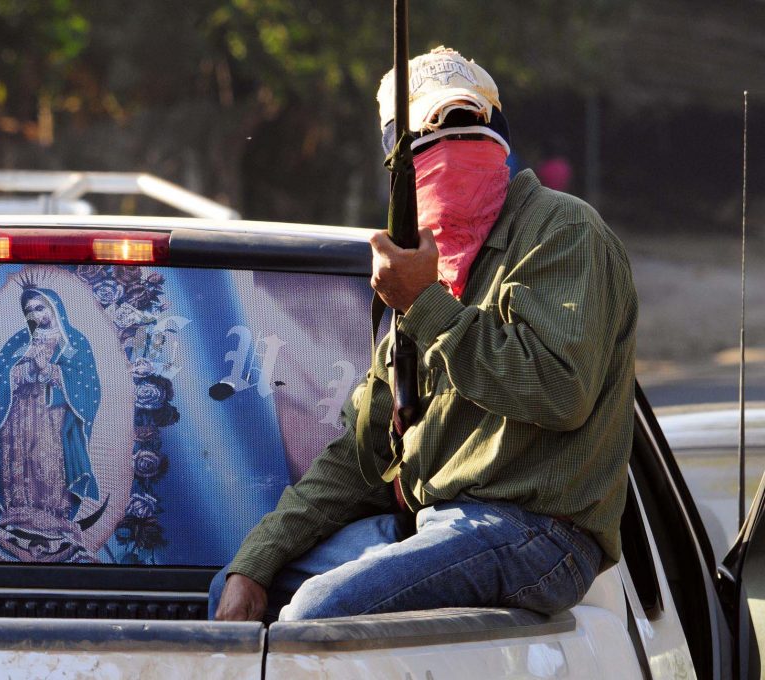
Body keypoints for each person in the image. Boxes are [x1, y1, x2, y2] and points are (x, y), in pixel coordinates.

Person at [211, 46, 638, 621]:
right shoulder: (421, 263)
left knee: (320, 609)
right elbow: (362, 454)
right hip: (434, 525)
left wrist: (423, 304)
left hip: (538, 531)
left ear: (501, 138)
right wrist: (257, 561)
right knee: (237, 587)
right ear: (397, 162)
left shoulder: (561, 230)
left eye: (470, 126)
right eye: (430, 137)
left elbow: (560, 392)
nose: (454, 148)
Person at [0, 280, 102, 561]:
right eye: (29, 311)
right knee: (20, 463)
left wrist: (49, 370)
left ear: (54, 307)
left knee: (45, 462)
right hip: (17, 418)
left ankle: (54, 519)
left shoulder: (72, 342)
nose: (35, 315)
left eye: (39, 307)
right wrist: (20, 372)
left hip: (52, 418)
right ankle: (17, 517)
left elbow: (86, 384)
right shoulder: (19, 341)